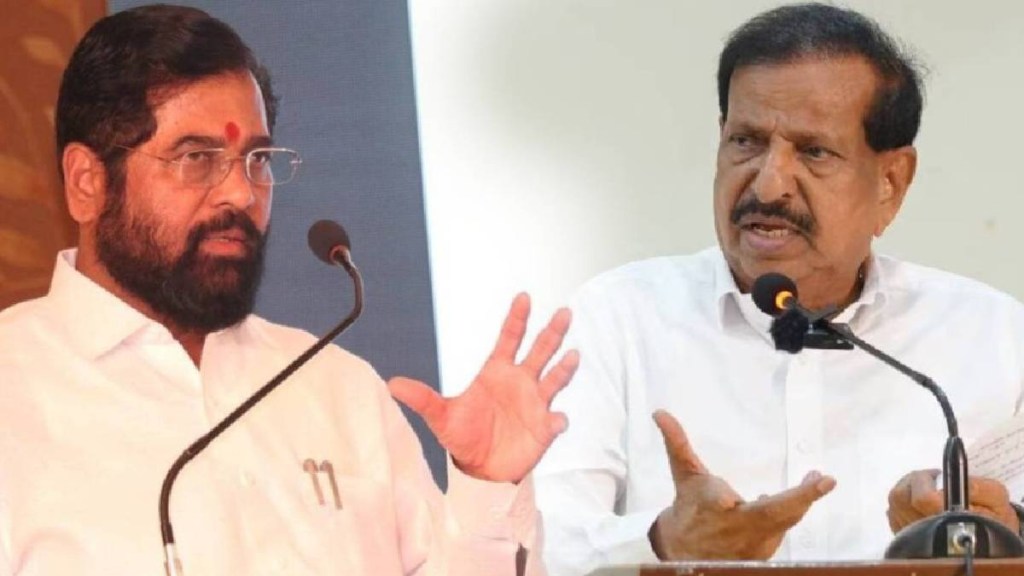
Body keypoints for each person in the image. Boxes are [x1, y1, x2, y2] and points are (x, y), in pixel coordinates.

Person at [0, 5, 579, 575]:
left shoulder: (336, 387)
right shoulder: (15, 391)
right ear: (87, 182)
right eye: (197, 157)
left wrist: (487, 488)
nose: (241, 193)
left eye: (257, 159)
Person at [535, 3, 1024, 575]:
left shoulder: (994, 339)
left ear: (891, 182)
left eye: (814, 152)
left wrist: (1005, 536)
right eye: (746, 141)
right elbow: (533, 548)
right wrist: (664, 542)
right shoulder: (616, 321)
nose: (768, 185)